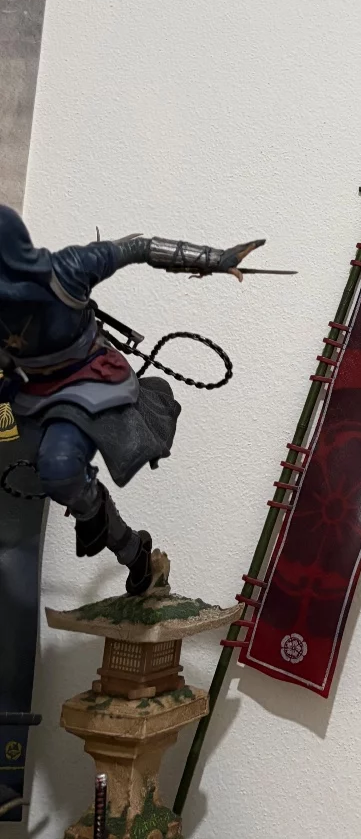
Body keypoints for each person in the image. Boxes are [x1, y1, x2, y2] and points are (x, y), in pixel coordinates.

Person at [0, 207, 262, 596]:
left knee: (59, 468)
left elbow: (139, 248)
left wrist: (214, 259)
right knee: (64, 482)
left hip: (87, 381)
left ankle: (98, 519)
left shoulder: (67, 269)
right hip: (33, 393)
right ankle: (132, 551)